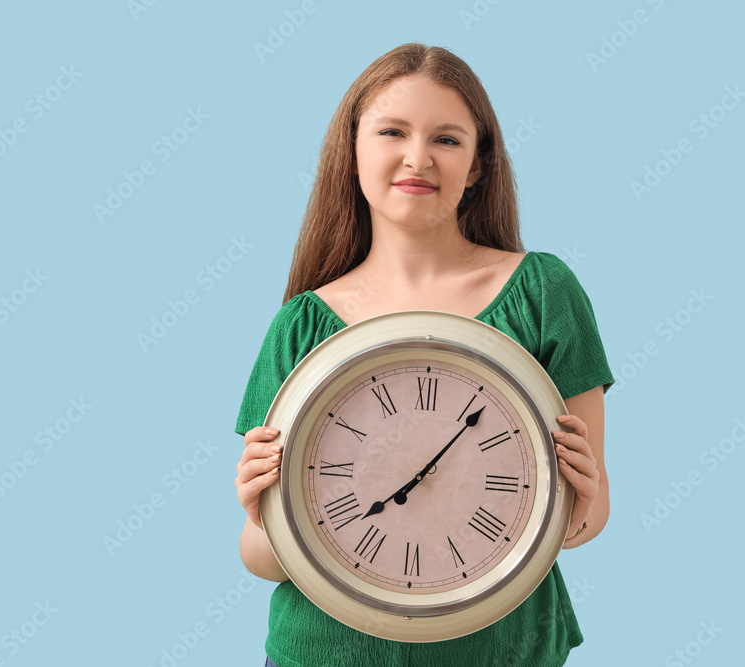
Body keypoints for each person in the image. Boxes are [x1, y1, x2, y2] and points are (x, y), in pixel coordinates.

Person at [234, 42, 614, 667]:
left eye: (446, 138)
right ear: (352, 150)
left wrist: (583, 499)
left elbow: (580, 525)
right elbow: (259, 557)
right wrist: (265, 516)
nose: (418, 157)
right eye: (392, 131)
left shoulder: (544, 294)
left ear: (478, 167)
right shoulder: (300, 325)